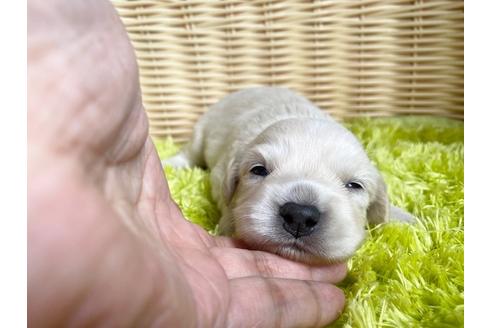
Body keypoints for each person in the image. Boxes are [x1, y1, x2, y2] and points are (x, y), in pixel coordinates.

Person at [27, 0, 347, 326]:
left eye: (353, 185)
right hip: (229, 111)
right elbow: (221, 166)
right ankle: (187, 153)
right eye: (260, 170)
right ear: (231, 184)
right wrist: (224, 209)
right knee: (198, 144)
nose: (301, 214)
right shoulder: (232, 156)